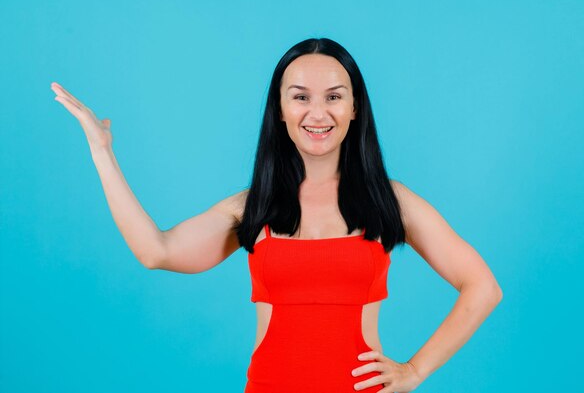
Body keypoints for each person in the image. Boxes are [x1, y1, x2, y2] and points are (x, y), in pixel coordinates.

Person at [51, 37, 503, 393]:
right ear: (282, 111)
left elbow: (482, 287)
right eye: (300, 97)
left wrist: (415, 371)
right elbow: (157, 250)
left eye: (334, 97)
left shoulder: (390, 201)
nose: (318, 112)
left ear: (354, 108)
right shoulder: (254, 207)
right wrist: (102, 153)